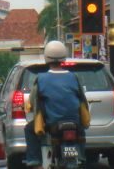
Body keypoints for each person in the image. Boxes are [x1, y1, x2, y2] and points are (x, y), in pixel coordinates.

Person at [24, 40, 87, 169]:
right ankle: (81, 157)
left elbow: (31, 103)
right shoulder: (74, 77)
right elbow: (83, 99)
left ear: (47, 57)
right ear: (64, 56)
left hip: (51, 123)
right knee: (81, 131)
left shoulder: (41, 79)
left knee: (29, 129)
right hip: (74, 122)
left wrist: (28, 107)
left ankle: (35, 162)